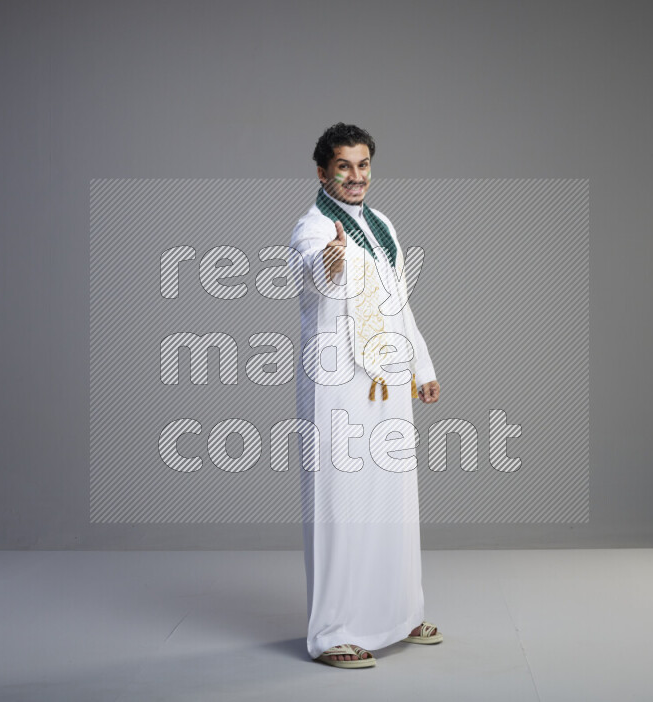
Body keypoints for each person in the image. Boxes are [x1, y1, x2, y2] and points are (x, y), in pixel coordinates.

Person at [289, 123, 442, 669]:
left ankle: (400, 614)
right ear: (322, 172)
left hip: (389, 377)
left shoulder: (382, 225)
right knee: (340, 502)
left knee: (394, 499)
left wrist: (421, 366)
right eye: (344, 167)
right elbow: (311, 274)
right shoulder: (312, 227)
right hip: (338, 383)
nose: (356, 176)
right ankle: (333, 632)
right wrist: (328, 262)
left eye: (363, 165)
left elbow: (399, 301)